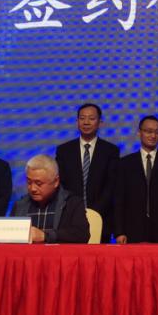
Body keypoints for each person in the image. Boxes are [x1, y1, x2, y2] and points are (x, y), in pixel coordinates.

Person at [55, 103, 119, 242]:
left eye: (91, 118)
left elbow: (111, 186)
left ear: (100, 123)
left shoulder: (111, 151)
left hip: (101, 217)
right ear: (77, 121)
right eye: (82, 118)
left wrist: (94, 212)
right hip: (69, 217)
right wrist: (76, 210)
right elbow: (61, 184)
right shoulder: (64, 150)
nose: (86, 122)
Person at [114, 115, 158, 243]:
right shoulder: (125, 163)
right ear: (139, 133)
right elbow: (119, 200)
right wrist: (119, 231)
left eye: (157, 132)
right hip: (132, 230)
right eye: (148, 131)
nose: (153, 136)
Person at [12, 154, 90, 244]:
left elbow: (82, 235)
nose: (32, 188)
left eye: (38, 183)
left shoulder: (72, 203)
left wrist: (45, 236)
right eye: (29, 182)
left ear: (56, 181)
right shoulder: (20, 205)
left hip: (59, 253)